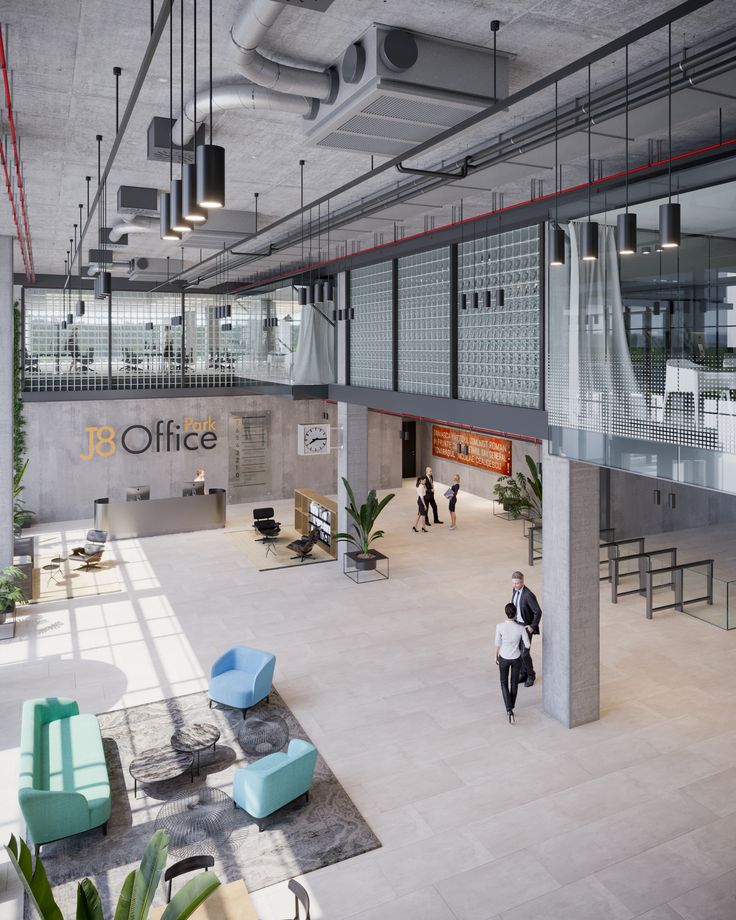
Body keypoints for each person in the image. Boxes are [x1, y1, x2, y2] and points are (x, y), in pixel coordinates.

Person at [495, 602, 531, 724]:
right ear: (515, 614)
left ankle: (509, 710)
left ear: (506, 613)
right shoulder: (521, 628)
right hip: (516, 658)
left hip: (504, 657)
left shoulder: (500, 626)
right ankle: (512, 706)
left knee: (503, 683)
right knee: (514, 684)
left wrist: (496, 656)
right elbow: (527, 645)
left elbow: (498, 643)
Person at [511, 570, 542, 687]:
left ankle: (531, 675)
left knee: (524, 653)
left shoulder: (528, 595)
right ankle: (523, 674)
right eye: (513, 583)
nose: (515, 586)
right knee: (518, 652)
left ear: (522, 582)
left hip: (525, 627)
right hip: (516, 625)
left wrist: (532, 626)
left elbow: (538, 611)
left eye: (517, 583)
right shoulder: (514, 590)